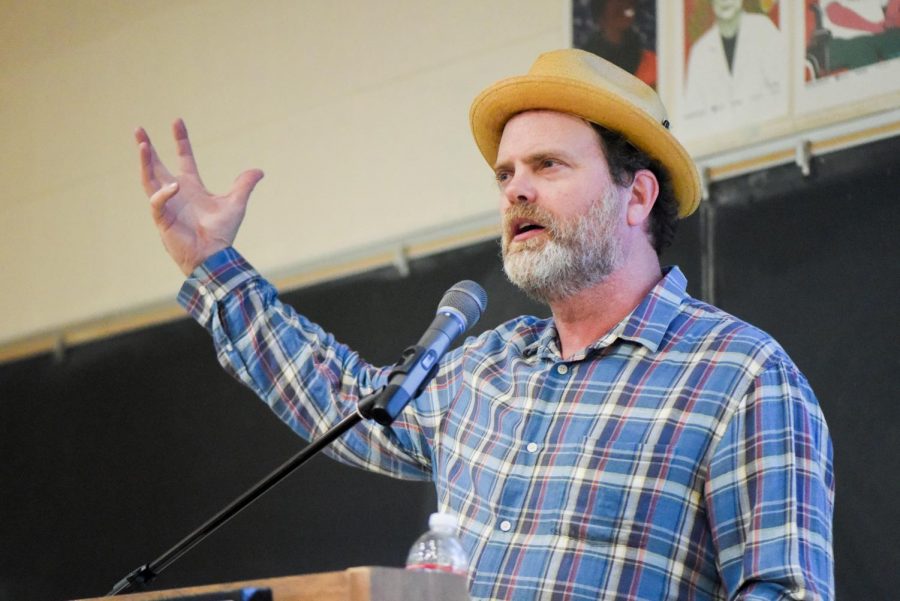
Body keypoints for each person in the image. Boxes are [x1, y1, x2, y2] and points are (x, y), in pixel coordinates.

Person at [136, 49, 834, 600]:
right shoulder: (485, 369)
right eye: (504, 175)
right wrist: (213, 264)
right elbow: (341, 397)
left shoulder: (741, 377)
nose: (515, 190)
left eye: (547, 165)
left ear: (637, 194)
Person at [683, 0, 787, 126]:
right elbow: (694, 115)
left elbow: (784, 91)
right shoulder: (700, 52)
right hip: (720, 141)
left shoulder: (763, 29)